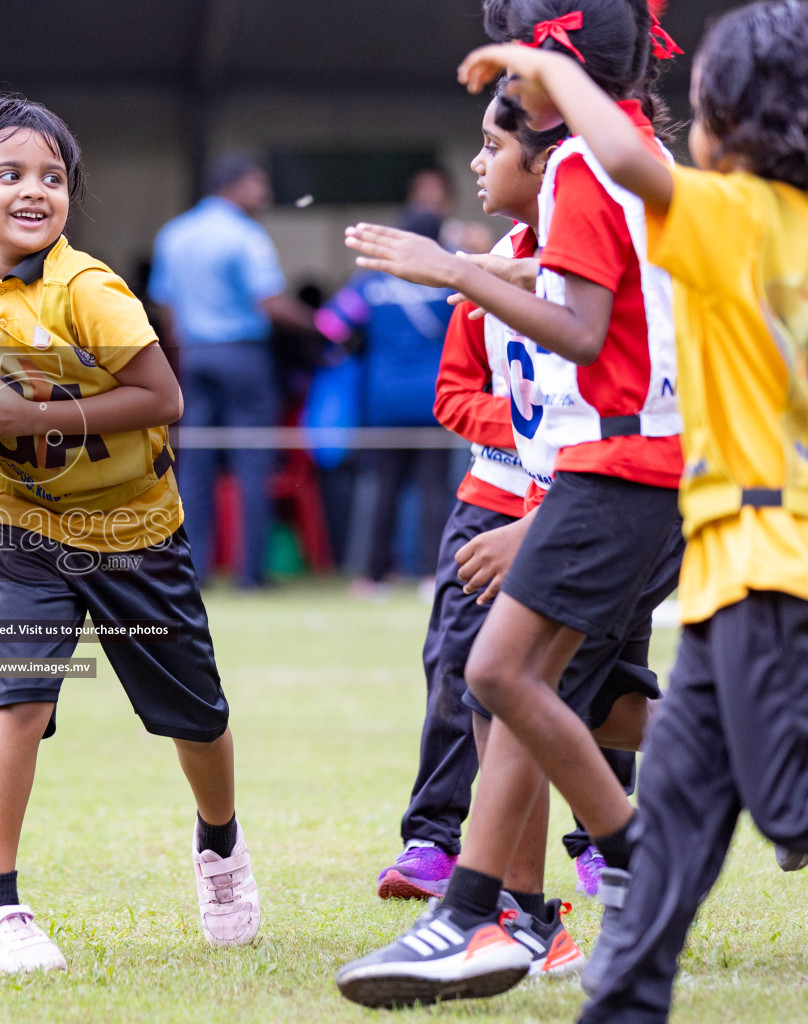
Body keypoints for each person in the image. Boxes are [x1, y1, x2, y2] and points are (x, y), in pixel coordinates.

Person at [455, 6, 808, 1020]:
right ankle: (626, 997)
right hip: (724, 564)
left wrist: (544, 69)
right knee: (683, 811)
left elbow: (621, 154)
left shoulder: (737, 213)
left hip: (771, 566)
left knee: (785, 807)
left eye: (698, 106)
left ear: (733, 124)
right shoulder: (759, 226)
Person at [336, 0, 685, 1005]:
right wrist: (498, 266)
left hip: (615, 468)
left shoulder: (580, 168)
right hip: (619, 472)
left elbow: (581, 331)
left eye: (511, 70)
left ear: (546, 76)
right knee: (514, 680)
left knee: (501, 672)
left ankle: (623, 859)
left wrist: (453, 267)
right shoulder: (613, 165)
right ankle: (494, 914)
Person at [0, 94, 259, 972]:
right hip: (27, 530)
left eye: (52, 177)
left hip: (135, 528)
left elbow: (162, 398)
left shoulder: (87, 288)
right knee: (21, 700)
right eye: (9, 174)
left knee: (195, 719)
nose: (34, 191)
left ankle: (219, 844)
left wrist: (30, 414)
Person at [377, 87, 636, 909]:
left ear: (553, 158)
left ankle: (599, 846)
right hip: (496, 500)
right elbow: (455, 393)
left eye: (491, 146)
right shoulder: (490, 268)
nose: (477, 164)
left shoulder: (606, 256)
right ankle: (440, 847)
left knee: (579, 681)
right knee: (469, 672)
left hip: (600, 497)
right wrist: (524, 429)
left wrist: (549, 443)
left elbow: (602, 379)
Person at [149, 153, 311, 588]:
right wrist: (319, 323)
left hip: (195, 354)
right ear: (234, 186)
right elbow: (270, 301)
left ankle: (194, 571)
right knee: (253, 461)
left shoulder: (175, 233)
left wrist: (180, 344)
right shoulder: (246, 235)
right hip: (243, 354)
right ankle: (250, 574)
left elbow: (165, 304)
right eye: (259, 184)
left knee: (195, 466)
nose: (265, 193)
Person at [315, 212, 455, 594]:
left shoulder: (374, 280)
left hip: (384, 401)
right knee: (434, 490)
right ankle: (432, 575)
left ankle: (373, 577)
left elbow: (330, 323)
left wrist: (356, 347)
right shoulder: (450, 274)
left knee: (382, 489)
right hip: (436, 398)